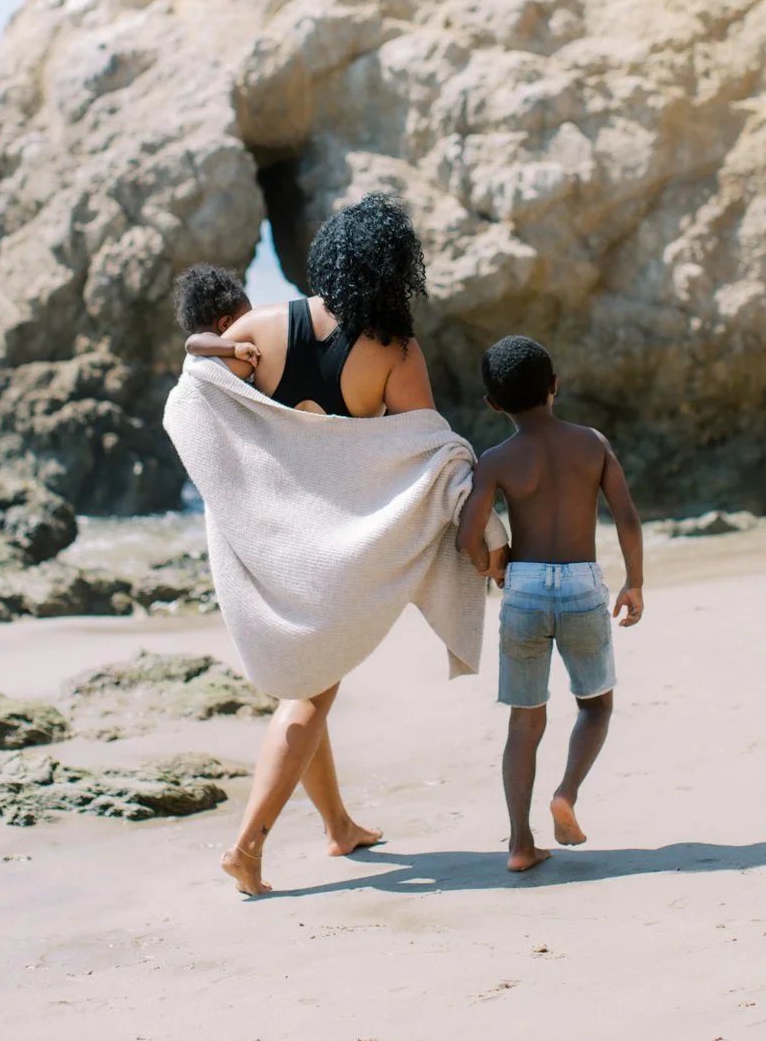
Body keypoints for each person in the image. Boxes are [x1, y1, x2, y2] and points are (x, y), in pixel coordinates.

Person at [179, 193, 477, 896]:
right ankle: (247, 846)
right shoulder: (395, 351)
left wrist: (232, 493)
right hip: (335, 546)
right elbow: (427, 453)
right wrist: (479, 525)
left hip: (268, 539)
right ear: (397, 271)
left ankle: (338, 826)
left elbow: (198, 389)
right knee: (311, 694)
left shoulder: (261, 324)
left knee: (308, 681)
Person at [456, 334, 644, 874]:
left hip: (526, 589)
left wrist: (493, 566)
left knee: (525, 721)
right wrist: (634, 583)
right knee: (596, 706)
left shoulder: (496, 460)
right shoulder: (592, 443)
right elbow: (627, 517)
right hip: (583, 584)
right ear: (554, 385)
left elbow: (467, 538)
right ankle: (566, 794)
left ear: (493, 404)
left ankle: (520, 843)